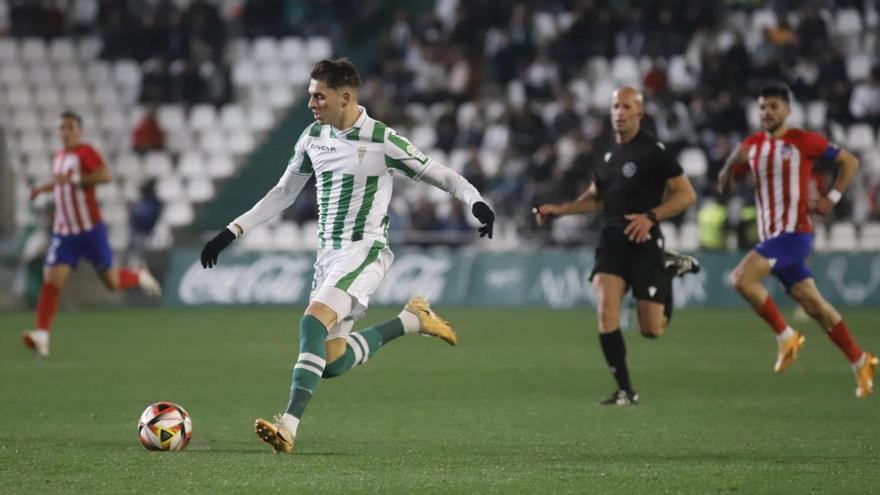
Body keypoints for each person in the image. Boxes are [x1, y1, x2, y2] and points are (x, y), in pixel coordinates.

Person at [199, 58, 495, 453]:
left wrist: (475, 201)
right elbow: (284, 193)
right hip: (328, 256)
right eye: (310, 95)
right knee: (333, 361)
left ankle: (287, 425)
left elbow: (440, 174)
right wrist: (231, 231)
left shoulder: (381, 139)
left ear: (346, 97)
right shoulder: (311, 137)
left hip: (364, 251)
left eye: (318, 96)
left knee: (312, 324)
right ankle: (411, 321)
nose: (311, 103)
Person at [534, 87, 700, 406]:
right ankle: (625, 389)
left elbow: (686, 195)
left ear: (639, 113)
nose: (620, 112)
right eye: (615, 106)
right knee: (606, 311)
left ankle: (667, 270)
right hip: (612, 240)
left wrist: (652, 217)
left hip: (644, 240)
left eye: (627, 106)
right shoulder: (605, 152)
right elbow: (596, 199)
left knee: (651, 330)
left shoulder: (654, 150)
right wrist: (559, 210)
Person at [717, 84, 877, 398]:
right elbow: (726, 178)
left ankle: (787, 336)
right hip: (772, 238)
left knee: (741, 279)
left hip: (794, 235)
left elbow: (850, 161)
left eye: (774, 106)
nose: (767, 112)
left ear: (788, 111)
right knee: (818, 307)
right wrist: (726, 172)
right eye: (763, 107)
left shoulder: (802, 140)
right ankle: (861, 361)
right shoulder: (752, 145)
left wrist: (832, 197)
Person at [22, 111, 162, 357]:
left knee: (112, 283)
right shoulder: (58, 157)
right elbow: (60, 183)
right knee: (52, 281)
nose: (65, 132)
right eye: (62, 128)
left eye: (70, 127)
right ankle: (41, 336)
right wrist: (40, 189)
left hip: (90, 231)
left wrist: (76, 179)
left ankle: (138, 275)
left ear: (79, 131)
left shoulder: (85, 153)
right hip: (64, 233)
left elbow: (104, 176)